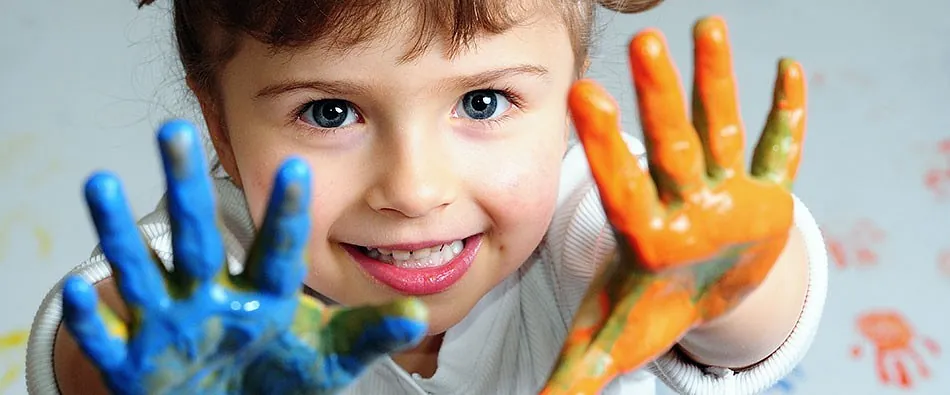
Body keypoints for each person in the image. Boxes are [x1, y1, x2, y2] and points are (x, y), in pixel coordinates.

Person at [25, 0, 828, 394]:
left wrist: (734, 281)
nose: (413, 190)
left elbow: (746, 334)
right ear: (221, 126)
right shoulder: (227, 269)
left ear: (569, 103)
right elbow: (97, 326)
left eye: (483, 103)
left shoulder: (607, 220)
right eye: (329, 112)